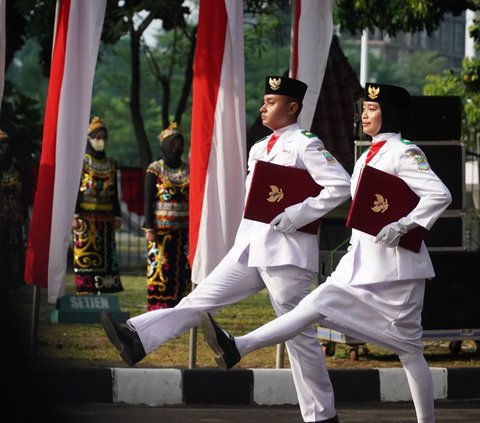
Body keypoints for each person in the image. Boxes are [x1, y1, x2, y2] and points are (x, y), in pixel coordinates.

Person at [101, 76, 351, 423]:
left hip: (287, 252)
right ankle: (137, 337)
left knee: (298, 334)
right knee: (200, 299)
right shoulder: (260, 147)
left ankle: (322, 416)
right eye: (263, 100)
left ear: (292, 108)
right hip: (250, 246)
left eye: (271, 101)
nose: (263, 107)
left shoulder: (306, 144)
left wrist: (296, 214)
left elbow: (340, 185)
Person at [200, 82, 452, 423]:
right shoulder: (366, 154)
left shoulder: (405, 152)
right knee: (311, 306)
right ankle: (238, 346)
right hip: (357, 265)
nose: (364, 114)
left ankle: (427, 421)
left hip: (396, 272)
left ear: (389, 114)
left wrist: (405, 224)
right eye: (363, 108)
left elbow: (439, 195)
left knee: (409, 351)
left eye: (373, 109)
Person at [72, 116, 124, 294]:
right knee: (86, 255)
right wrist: (75, 214)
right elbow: (75, 190)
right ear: (89, 138)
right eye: (97, 137)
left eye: (103, 137)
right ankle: (86, 291)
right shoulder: (81, 161)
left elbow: (115, 192)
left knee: (105, 256)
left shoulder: (111, 163)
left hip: (106, 218)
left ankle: (105, 291)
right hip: (85, 218)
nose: (100, 141)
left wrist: (117, 215)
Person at [143, 122, 191, 310]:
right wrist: (149, 228)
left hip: (184, 231)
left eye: (179, 144)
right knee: (161, 268)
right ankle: (159, 305)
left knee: (181, 269)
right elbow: (147, 201)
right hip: (161, 231)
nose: (176, 147)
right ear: (164, 145)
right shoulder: (154, 169)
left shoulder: (189, 169)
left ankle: (180, 305)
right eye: (172, 144)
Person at [0, 129, 28, 292]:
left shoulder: (17, 167)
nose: (4, 148)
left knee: (13, 253)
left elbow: (23, 194)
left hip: (14, 218)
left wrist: (24, 216)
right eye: (1, 145)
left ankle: (11, 284)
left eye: (6, 144)